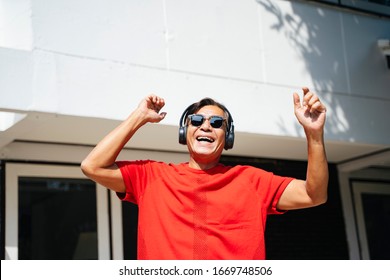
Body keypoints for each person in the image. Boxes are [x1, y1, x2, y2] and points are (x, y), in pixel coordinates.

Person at [81, 87, 328, 260]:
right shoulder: (151, 177)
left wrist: (314, 135)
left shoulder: (252, 181)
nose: (206, 126)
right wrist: (138, 117)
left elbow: (313, 194)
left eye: (217, 123)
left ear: (227, 136)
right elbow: (93, 166)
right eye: (196, 120)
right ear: (184, 131)